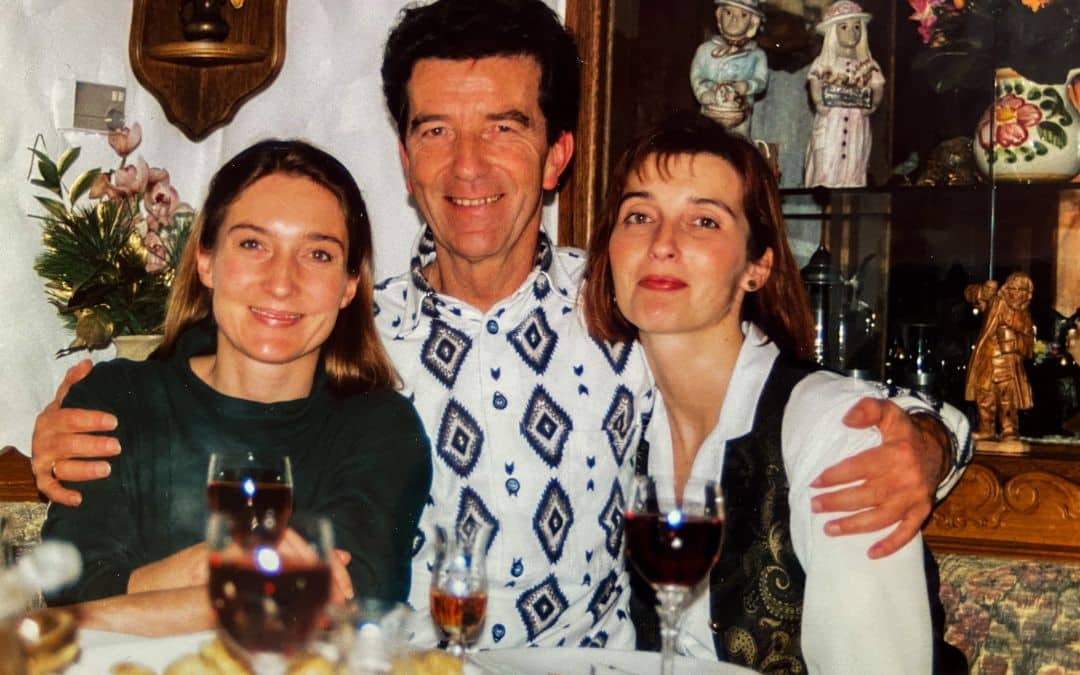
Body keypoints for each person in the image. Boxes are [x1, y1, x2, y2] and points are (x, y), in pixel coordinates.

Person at [34, 0, 966, 649]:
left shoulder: (629, 305)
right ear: (404, 158)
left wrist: (927, 439)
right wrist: (80, 412)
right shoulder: (354, 327)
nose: (468, 165)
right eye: (436, 129)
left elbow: (810, 397)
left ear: (558, 153)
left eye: (506, 127)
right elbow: (233, 360)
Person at [582, 112, 944, 673]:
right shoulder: (611, 409)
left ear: (757, 267)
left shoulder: (836, 433)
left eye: (703, 221)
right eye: (639, 215)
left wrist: (932, 434)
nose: (661, 244)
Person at [40, 140, 432, 635]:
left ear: (350, 284)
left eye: (317, 253)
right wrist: (219, 569)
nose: (282, 282)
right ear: (206, 260)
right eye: (252, 244)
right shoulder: (115, 402)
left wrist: (153, 591)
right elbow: (71, 595)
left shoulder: (381, 429)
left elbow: (342, 611)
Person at [803, 0, 884, 188]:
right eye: (844, 27)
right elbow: (815, 82)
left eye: (856, 27)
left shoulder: (867, 65)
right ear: (833, 32)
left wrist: (872, 105)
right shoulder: (825, 63)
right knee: (828, 158)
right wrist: (818, 101)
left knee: (854, 161)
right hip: (832, 122)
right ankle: (825, 180)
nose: (852, 32)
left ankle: (852, 182)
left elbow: (878, 86)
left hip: (856, 123)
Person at [964, 272, 1035, 440]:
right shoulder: (995, 302)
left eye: (1021, 290)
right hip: (986, 358)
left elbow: (1029, 347)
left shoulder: (1025, 317)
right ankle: (985, 428)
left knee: (1006, 398)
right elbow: (970, 294)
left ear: (1027, 293)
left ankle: (1009, 429)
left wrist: (1013, 341)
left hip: (1007, 363)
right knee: (984, 396)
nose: (1016, 293)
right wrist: (983, 291)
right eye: (1013, 288)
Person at [689, 0, 768, 137]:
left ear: (753, 22)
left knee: (738, 145)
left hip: (740, 113)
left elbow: (761, 80)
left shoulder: (757, 55)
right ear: (719, 15)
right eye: (728, 12)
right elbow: (697, 75)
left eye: (743, 15)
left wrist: (747, 86)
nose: (734, 19)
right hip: (711, 110)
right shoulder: (705, 50)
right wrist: (704, 93)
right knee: (707, 142)